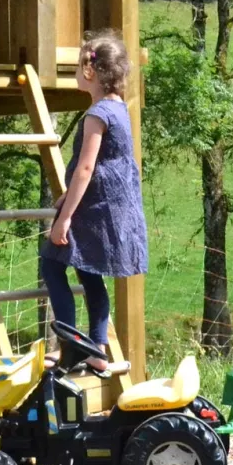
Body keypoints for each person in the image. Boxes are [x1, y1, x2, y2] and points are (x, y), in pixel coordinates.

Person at [41, 31, 147, 375]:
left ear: (90, 70)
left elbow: (87, 168)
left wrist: (64, 218)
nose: (73, 73)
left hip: (92, 208)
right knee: (90, 276)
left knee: (52, 265)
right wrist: (66, 195)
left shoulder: (97, 114)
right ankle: (98, 349)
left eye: (76, 67)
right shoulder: (119, 108)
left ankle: (70, 344)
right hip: (111, 207)